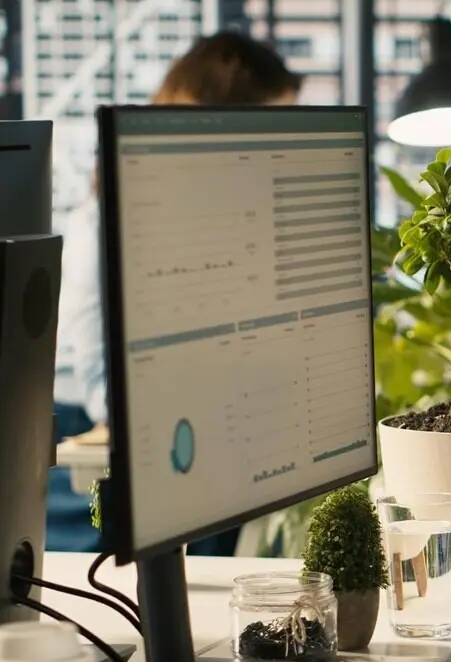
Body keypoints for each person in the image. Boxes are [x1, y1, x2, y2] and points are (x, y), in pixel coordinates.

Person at [51, 31, 302, 553]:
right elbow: (106, 389)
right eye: (269, 128)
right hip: (83, 458)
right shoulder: (107, 220)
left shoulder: (224, 222)